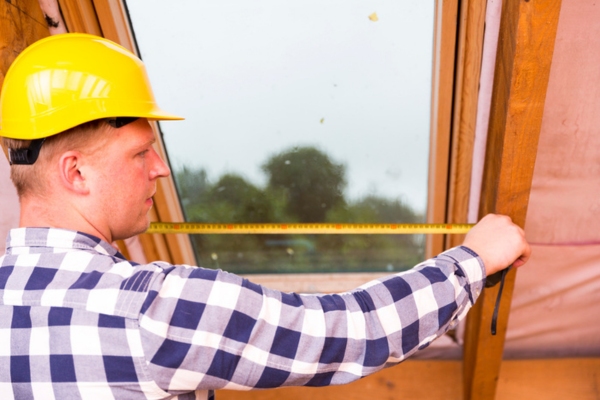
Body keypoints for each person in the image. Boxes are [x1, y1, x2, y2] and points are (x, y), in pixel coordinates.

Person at [0, 33, 530, 400]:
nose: (160, 169)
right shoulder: (149, 311)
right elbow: (352, 330)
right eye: (140, 153)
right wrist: (474, 259)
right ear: (75, 173)